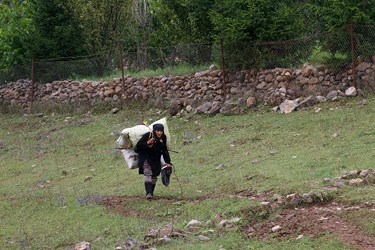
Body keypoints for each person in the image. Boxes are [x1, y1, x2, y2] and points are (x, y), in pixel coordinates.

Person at [135, 123, 172, 199]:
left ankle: (151, 192)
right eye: (158, 131)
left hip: (156, 159)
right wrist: (148, 143)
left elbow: (164, 150)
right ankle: (148, 193)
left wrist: (168, 162)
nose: (159, 133)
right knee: (148, 173)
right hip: (145, 158)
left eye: (161, 131)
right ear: (154, 131)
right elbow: (138, 146)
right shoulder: (148, 136)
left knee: (155, 175)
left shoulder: (163, 138)